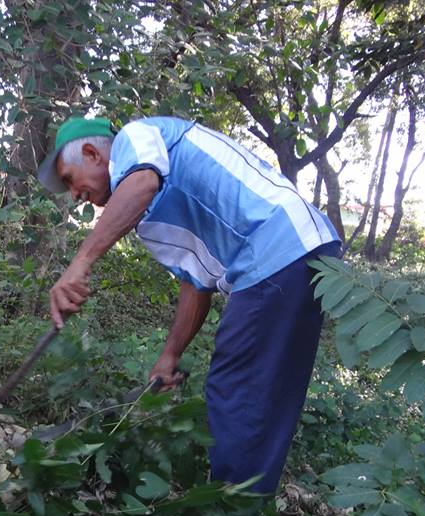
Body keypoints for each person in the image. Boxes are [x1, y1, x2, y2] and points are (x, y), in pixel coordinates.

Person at [38, 116, 342, 495]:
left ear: (92, 153)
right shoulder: (147, 219)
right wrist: (169, 354)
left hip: (278, 246)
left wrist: (79, 264)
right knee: (265, 394)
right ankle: (246, 507)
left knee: (235, 388)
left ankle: (231, 515)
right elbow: (196, 281)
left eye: (69, 179)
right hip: (299, 252)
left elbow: (143, 182)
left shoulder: (136, 139)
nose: (74, 194)